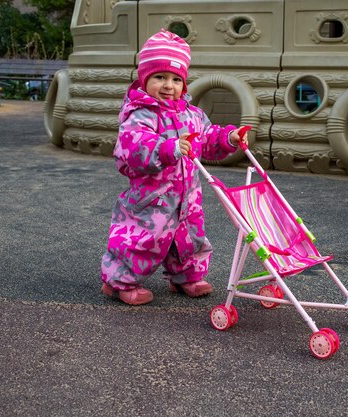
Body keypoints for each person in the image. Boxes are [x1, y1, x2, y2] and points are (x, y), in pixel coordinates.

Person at [100, 29, 247, 305]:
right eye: (159, 77)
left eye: (176, 79)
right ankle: (119, 281)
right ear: (145, 79)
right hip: (152, 198)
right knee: (142, 240)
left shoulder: (192, 115)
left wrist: (228, 137)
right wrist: (168, 148)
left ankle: (186, 278)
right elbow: (134, 147)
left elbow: (207, 137)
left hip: (187, 198)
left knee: (189, 238)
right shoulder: (140, 114)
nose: (168, 85)